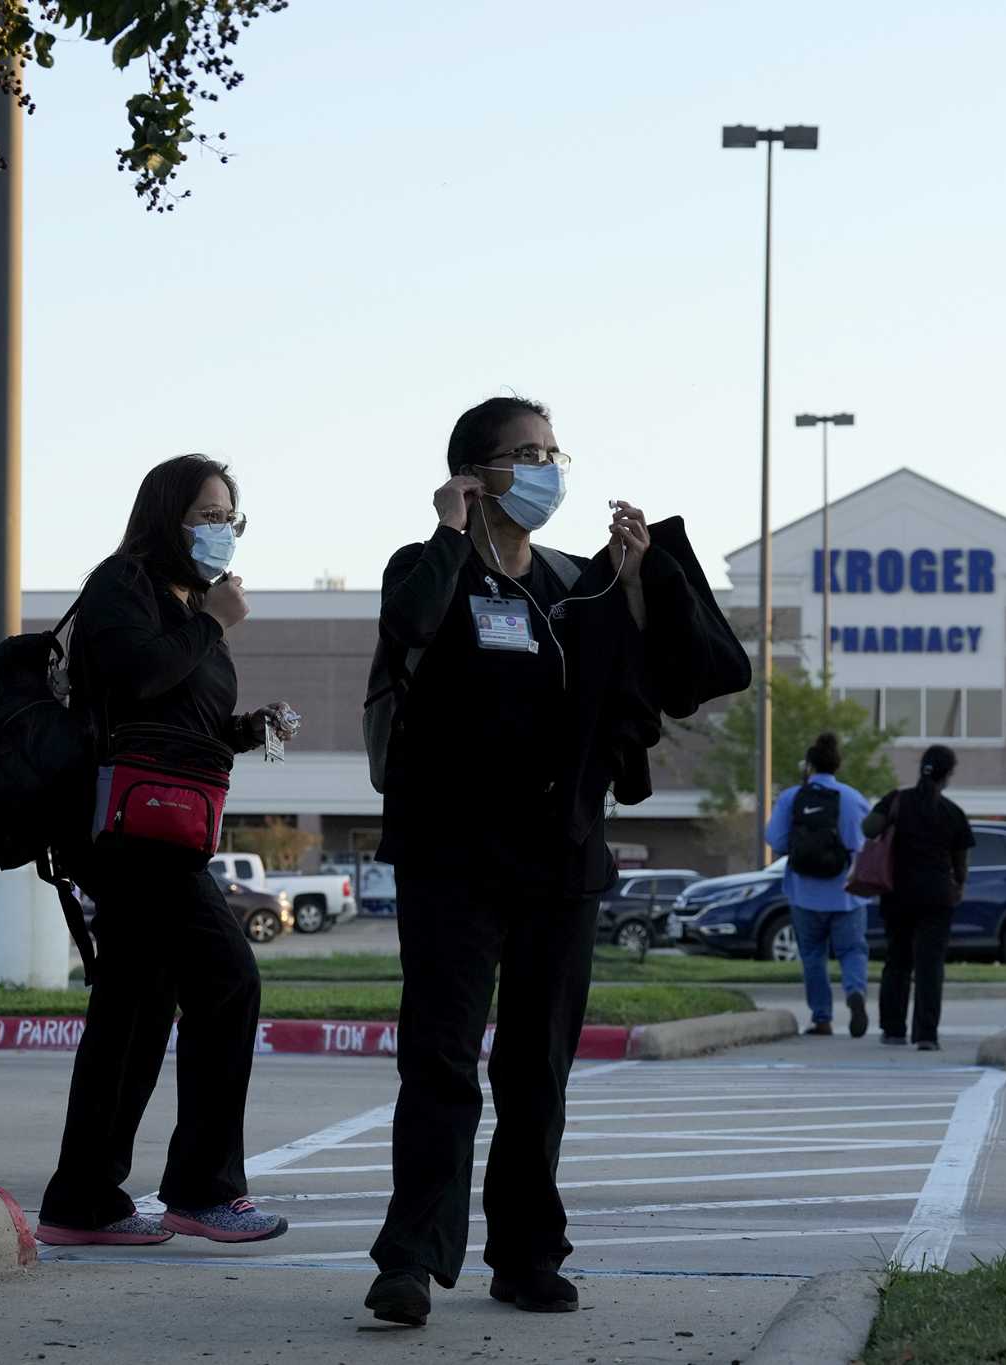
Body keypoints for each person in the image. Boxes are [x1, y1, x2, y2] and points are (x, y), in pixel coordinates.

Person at [361, 396, 749, 1326]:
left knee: (537, 1067)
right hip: (453, 854)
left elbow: (680, 682)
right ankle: (411, 1259)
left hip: (560, 859)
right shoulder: (426, 566)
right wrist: (448, 529)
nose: (544, 467)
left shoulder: (577, 583)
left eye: (551, 450)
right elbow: (411, 624)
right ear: (475, 472)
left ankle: (527, 1253)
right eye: (522, 453)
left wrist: (641, 583)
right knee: (442, 1061)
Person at [35, 454, 295, 1248]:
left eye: (231, 518)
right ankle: (203, 1190)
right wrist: (212, 622)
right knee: (228, 979)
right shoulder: (124, 584)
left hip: (168, 825)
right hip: (125, 836)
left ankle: (81, 1199)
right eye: (209, 515)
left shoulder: (187, 603)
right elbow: (138, 674)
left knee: (136, 1009)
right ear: (166, 515)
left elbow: (184, 719)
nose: (223, 531)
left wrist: (250, 729)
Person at [861, 745, 971, 1052]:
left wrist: (890, 821)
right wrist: (959, 886)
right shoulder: (952, 813)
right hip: (937, 898)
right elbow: (960, 865)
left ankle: (893, 1030)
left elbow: (868, 828)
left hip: (897, 895)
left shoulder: (897, 800)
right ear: (947, 775)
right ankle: (926, 1035)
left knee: (897, 961)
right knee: (930, 966)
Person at [765, 733, 873, 1038]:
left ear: (809, 766)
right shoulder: (853, 798)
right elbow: (862, 844)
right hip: (846, 894)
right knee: (852, 950)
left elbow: (776, 840)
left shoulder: (791, 798)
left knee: (813, 955)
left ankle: (822, 1017)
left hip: (803, 893)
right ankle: (855, 993)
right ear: (837, 765)